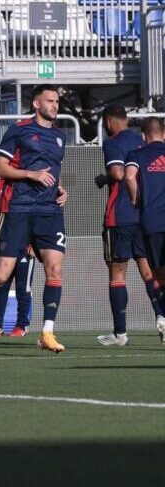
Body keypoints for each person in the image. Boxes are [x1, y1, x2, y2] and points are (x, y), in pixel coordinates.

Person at [0, 85, 68, 353]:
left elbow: (53, 171)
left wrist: (59, 188)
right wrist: (30, 176)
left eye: (57, 101)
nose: (55, 105)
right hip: (20, 209)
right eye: (50, 101)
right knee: (1, 275)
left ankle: (47, 331)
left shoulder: (59, 136)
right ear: (36, 104)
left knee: (55, 269)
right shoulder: (19, 130)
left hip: (50, 211)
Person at [97, 106, 164, 346]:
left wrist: (105, 177)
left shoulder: (113, 142)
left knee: (117, 273)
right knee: (150, 272)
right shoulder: (142, 143)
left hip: (121, 215)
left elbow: (117, 173)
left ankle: (120, 334)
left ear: (108, 121)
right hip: (145, 218)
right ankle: (161, 315)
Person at [124, 116, 165, 344]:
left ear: (143, 136)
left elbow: (129, 175)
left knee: (158, 274)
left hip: (153, 221)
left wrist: (135, 197)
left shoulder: (137, 154)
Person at [0, 177, 36, 338]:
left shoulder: (30, 184)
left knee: (23, 288)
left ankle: (22, 325)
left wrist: (34, 242)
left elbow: (36, 215)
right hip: (5, 244)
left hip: (25, 245)